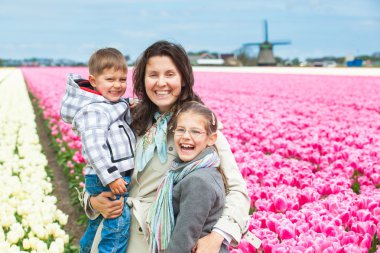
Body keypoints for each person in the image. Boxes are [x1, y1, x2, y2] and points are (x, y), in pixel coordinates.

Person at [83, 40, 250, 253]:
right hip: (114, 237)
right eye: (153, 75)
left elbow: (237, 191)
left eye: (170, 74)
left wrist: (217, 236)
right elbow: (98, 167)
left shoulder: (198, 128)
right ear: (143, 80)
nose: (161, 83)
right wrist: (93, 201)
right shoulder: (126, 120)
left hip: (157, 240)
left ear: (183, 79)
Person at [60, 47, 136, 253]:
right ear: (93, 81)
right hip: (108, 177)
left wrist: (130, 103)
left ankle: (86, 248)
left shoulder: (105, 104)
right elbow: (94, 147)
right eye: (110, 80)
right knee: (117, 224)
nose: (118, 85)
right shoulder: (93, 111)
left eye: (122, 80)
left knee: (99, 223)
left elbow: (116, 105)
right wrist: (110, 176)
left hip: (105, 176)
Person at [147, 101, 229, 253]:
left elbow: (183, 241)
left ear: (211, 139)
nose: (186, 136)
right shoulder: (196, 171)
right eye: (180, 130)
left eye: (195, 132)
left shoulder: (198, 181)